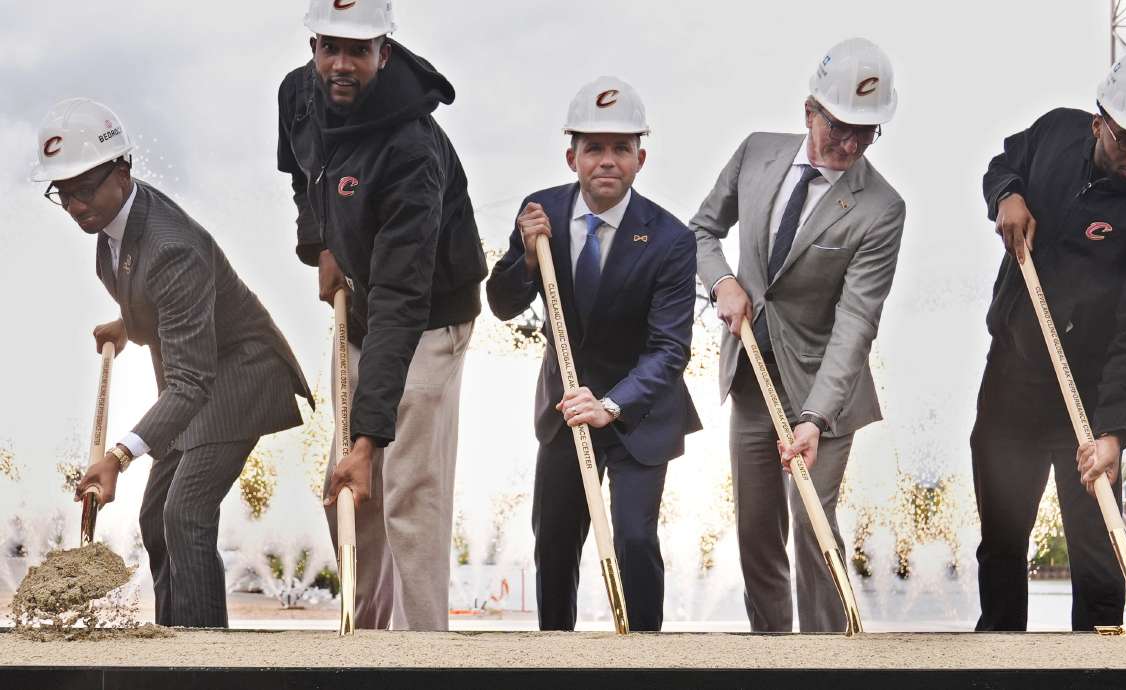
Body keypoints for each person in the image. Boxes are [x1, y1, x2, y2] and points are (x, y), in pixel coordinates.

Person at [36, 98, 313, 628]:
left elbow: (190, 381)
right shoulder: (111, 226)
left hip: (240, 376)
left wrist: (117, 457)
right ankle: (172, 639)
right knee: (155, 520)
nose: (74, 205)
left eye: (84, 188)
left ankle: (204, 655)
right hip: (198, 374)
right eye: (62, 192)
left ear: (122, 170)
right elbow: (159, 300)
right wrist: (128, 324)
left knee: (185, 513)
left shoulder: (173, 247)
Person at [276, 0, 487, 630]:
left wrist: (369, 439)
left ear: (383, 53)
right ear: (314, 47)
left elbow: (402, 296)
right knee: (348, 487)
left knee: (405, 486)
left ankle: (422, 652)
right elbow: (303, 175)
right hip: (365, 300)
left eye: (358, 51)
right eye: (330, 48)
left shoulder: (412, 148)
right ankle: (365, 641)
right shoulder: (298, 95)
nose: (341, 64)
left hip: (428, 314)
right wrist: (321, 245)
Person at [974, 47, 1126, 631]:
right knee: (1001, 544)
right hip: (1012, 380)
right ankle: (996, 657)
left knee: (1098, 564)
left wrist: (1113, 432)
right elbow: (1006, 162)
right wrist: (1007, 194)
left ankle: (1099, 664)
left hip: (1091, 399)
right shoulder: (1055, 132)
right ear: (1099, 121)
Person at [689, 38, 905, 632]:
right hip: (752, 375)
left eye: (867, 132)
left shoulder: (882, 208)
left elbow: (857, 320)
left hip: (823, 390)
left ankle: (827, 656)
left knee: (812, 522)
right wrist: (723, 282)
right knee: (757, 529)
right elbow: (701, 231)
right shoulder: (756, 152)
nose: (851, 144)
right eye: (840, 127)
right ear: (810, 110)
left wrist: (814, 418)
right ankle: (772, 653)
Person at [487, 77, 701, 631]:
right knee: (555, 542)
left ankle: (645, 658)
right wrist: (526, 258)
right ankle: (556, 657)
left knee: (633, 539)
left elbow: (670, 349)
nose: (608, 160)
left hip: (638, 412)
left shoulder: (671, 240)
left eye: (621, 148)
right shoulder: (541, 214)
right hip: (565, 408)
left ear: (640, 159)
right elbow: (502, 304)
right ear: (572, 157)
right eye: (594, 148)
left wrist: (610, 404)